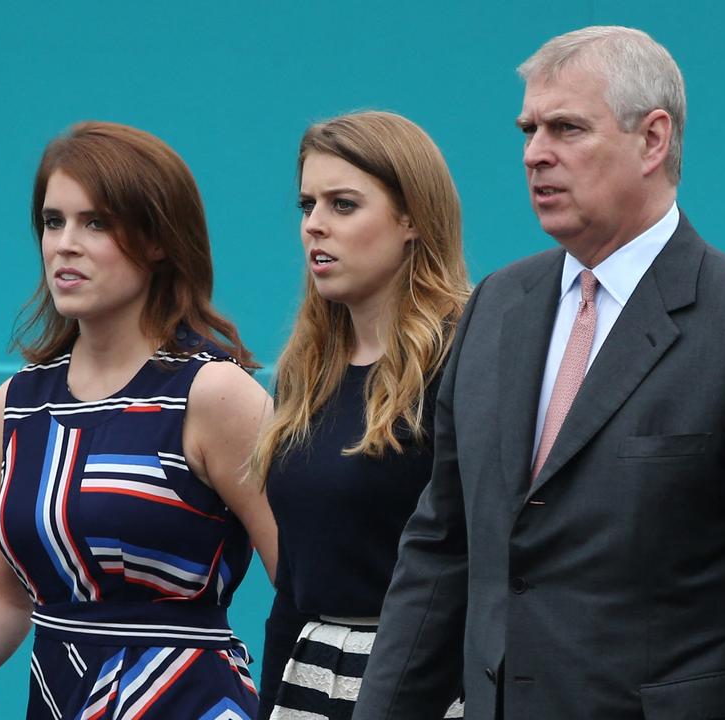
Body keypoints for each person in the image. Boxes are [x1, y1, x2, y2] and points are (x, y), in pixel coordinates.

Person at [352, 26, 725, 720]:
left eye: (567, 128)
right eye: (529, 129)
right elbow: (440, 554)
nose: (535, 153)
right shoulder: (494, 310)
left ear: (653, 140)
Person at [0, 121, 278, 720]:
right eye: (54, 222)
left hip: (191, 702)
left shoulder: (213, 394)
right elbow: (2, 596)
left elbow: (303, 581)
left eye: (96, 222)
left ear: (157, 240)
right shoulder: (16, 407)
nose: (64, 244)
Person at [251, 111, 471, 720]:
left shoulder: (468, 356)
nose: (315, 226)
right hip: (312, 672)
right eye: (307, 206)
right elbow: (291, 585)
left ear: (411, 220)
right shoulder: (306, 370)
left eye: (343, 205)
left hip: (432, 679)